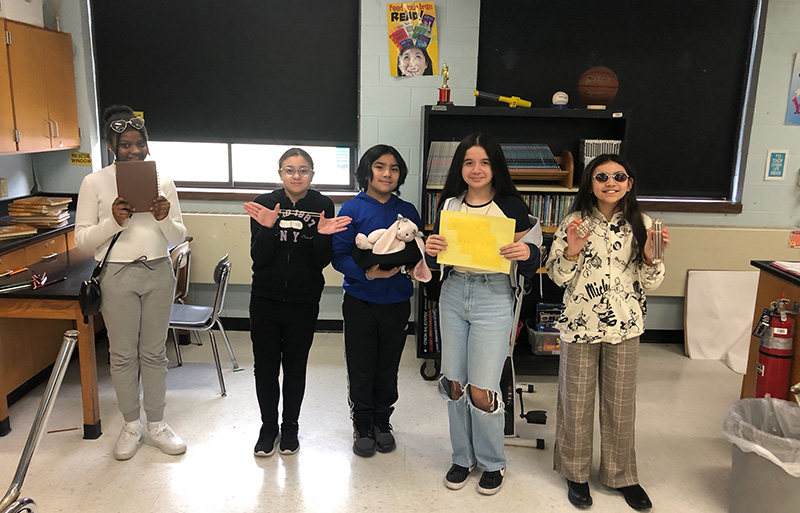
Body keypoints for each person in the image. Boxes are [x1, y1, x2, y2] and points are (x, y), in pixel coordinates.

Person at [545, 154, 669, 511]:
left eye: (619, 176)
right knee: (576, 403)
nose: (610, 182)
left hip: (626, 328)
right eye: (601, 176)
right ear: (590, 183)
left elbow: (651, 283)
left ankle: (621, 476)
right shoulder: (574, 221)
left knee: (620, 406)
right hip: (580, 326)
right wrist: (571, 249)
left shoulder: (644, 224)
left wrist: (650, 256)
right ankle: (575, 474)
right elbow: (558, 277)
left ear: (630, 183)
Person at [424, 132, 541, 495]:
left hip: (494, 295)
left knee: (481, 387)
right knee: (454, 382)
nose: (476, 169)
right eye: (469, 162)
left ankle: (493, 462)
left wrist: (527, 254)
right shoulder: (450, 203)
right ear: (460, 167)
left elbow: (535, 257)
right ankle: (463, 457)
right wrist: (430, 249)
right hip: (454, 292)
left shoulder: (511, 206)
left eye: (485, 162)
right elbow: (435, 259)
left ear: (495, 167)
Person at [75, 105, 187, 460]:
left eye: (140, 143)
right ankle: (130, 425)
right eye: (125, 144)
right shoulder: (94, 182)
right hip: (117, 276)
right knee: (122, 355)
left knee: (154, 353)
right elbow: (82, 239)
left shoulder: (164, 182)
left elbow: (179, 234)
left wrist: (164, 218)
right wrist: (113, 221)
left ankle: (156, 423)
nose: (134, 150)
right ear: (111, 145)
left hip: (157, 271)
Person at [244, 148, 351, 457]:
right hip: (264, 298)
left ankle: (290, 426)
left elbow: (321, 261)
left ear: (312, 175)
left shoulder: (322, 204)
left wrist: (321, 235)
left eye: (303, 170)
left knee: (295, 367)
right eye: (289, 170)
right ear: (280, 174)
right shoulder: (264, 203)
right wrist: (266, 227)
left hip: (304, 301)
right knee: (265, 368)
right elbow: (259, 258)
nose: (296, 175)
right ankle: (268, 427)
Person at [332, 144, 422, 458]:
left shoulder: (408, 210)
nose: (387, 173)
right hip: (360, 301)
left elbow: (416, 250)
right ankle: (362, 424)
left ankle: (383, 423)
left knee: (388, 367)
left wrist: (415, 266)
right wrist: (368, 274)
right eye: (380, 166)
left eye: (394, 168)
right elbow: (339, 256)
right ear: (367, 171)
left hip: (397, 302)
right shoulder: (350, 209)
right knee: (361, 366)